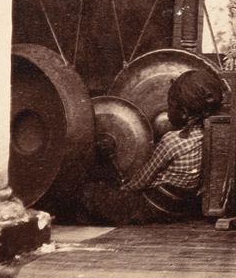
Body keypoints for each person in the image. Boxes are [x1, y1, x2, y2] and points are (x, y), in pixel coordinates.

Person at [80, 69, 225, 225]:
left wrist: (123, 190)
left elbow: (142, 181)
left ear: (184, 112)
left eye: (170, 104)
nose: (168, 109)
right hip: (179, 207)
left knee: (89, 192)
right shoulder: (211, 136)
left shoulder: (172, 140)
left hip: (152, 207)